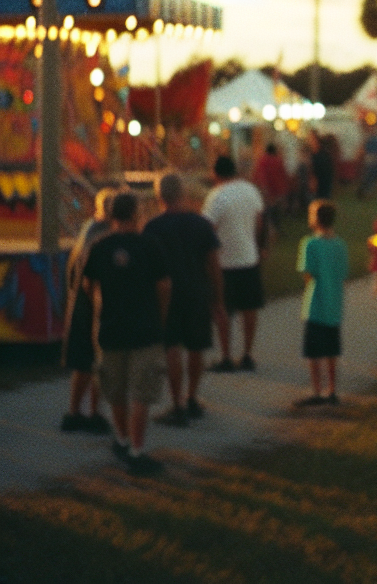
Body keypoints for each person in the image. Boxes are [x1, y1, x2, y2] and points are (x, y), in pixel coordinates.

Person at [82, 191, 171, 476]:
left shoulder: (99, 246)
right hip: (145, 327)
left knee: (116, 390)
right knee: (141, 392)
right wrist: (162, 316)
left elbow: (88, 284)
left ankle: (121, 440)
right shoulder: (150, 245)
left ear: (111, 216)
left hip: (110, 328)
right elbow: (164, 286)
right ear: (136, 214)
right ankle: (137, 449)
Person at [145, 172, 222, 426]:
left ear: (159, 197)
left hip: (167, 293)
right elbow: (213, 263)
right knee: (196, 346)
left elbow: (148, 267)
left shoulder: (152, 227)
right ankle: (192, 398)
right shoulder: (201, 224)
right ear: (183, 194)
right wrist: (217, 297)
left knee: (172, 347)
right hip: (198, 290)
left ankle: (177, 403)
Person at [60, 188, 117, 434]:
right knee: (97, 362)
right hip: (93, 305)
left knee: (83, 363)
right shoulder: (104, 235)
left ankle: (74, 413)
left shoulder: (87, 228)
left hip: (78, 303)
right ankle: (95, 413)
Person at [203, 155, 265, 372]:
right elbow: (259, 221)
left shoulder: (216, 196)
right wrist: (254, 243)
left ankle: (226, 355)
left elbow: (207, 227)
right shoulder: (251, 190)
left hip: (224, 261)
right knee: (249, 308)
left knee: (222, 308)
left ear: (216, 173)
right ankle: (247, 353)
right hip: (249, 257)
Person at [295, 199, 349, 406]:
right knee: (331, 350)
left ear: (316, 220)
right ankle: (332, 389)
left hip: (315, 305)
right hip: (334, 304)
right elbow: (343, 274)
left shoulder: (310, 243)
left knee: (314, 351)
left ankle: (317, 390)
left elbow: (308, 274)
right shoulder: (340, 245)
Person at [253, 142, 290, 245]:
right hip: (278, 190)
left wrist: (263, 189)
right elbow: (283, 174)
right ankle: (276, 230)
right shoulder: (278, 160)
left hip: (267, 191)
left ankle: (270, 231)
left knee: (268, 212)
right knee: (276, 212)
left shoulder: (262, 161)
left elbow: (259, 176)